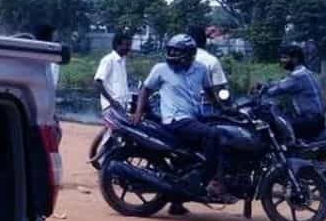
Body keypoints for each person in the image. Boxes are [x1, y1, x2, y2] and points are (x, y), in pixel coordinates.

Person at [134, 34, 228, 200]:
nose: (172, 55)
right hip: (176, 120)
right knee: (213, 135)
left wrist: (223, 109)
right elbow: (145, 90)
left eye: (177, 52)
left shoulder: (201, 69)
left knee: (221, 131)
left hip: (194, 117)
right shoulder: (161, 69)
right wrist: (139, 112)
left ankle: (177, 201)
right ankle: (211, 181)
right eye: (170, 50)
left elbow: (209, 93)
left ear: (190, 54)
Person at [262, 43, 326, 140]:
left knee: (274, 126)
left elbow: (276, 90)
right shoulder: (305, 72)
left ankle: (285, 153)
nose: (282, 61)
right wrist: (266, 85)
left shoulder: (297, 76)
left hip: (310, 120)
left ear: (295, 59)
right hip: (318, 118)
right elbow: (281, 83)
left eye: (285, 58)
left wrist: (264, 91)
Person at [188, 25, 229, 116]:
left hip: (182, 108)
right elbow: (220, 89)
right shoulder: (210, 60)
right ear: (205, 41)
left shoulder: (179, 59)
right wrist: (227, 106)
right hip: (206, 108)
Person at [94, 32, 131, 111]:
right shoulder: (108, 60)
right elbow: (97, 83)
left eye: (129, 45)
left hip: (121, 106)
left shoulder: (122, 61)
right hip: (111, 107)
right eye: (127, 45)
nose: (129, 48)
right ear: (118, 45)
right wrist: (111, 101)